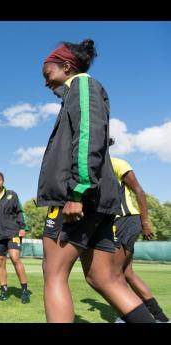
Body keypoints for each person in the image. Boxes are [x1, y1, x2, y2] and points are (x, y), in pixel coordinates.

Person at [37, 38, 155, 323]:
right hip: (99, 201)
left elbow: (89, 138)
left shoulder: (83, 86)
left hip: (82, 197)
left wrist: (76, 192)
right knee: (104, 279)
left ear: (66, 66)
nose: (45, 83)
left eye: (47, 74)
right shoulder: (80, 91)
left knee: (54, 273)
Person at [110, 155, 169, 323]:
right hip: (117, 224)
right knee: (127, 273)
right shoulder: (94, 170)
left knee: (114, 275)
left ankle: (127, 316)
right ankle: (160, 317)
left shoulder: (117, 163)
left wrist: (145, 223)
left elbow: (139, 192)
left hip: (126, 221)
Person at [0, 172, 30, 304]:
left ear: (3, 181)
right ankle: (4, 290)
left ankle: (24, 290)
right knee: (0, 261)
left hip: (13, 233)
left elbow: (20, 211)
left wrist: (23, 227)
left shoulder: (12, 195)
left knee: (15, 258)